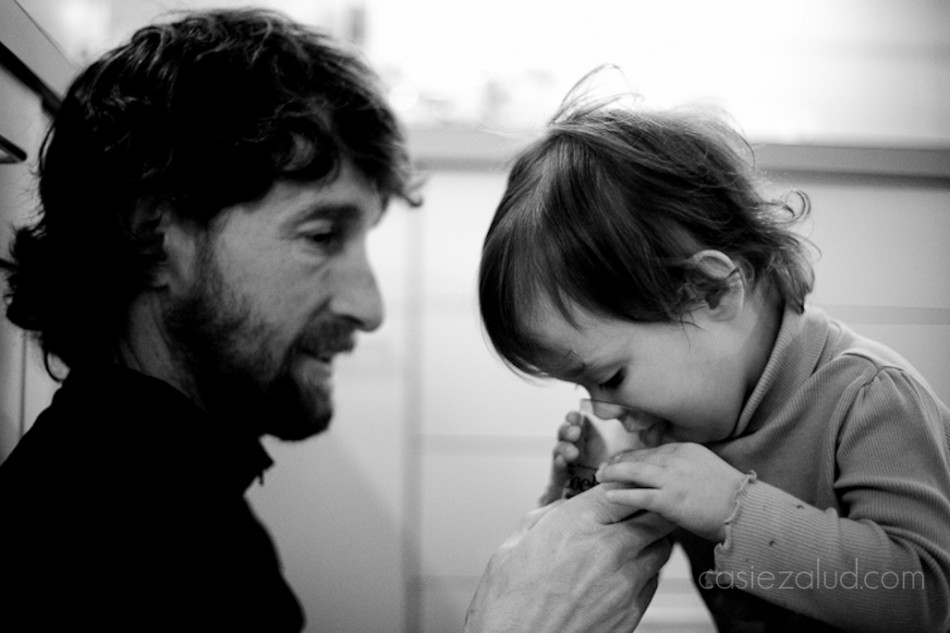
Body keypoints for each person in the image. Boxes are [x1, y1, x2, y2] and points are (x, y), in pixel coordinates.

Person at [0, 9, 672, 632]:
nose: (369, 308)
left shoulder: (177, 504)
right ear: (155, 239)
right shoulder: (86, 546)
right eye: (322, 236)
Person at [477, 87, 950, 632]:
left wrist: (733, 509)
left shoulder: (868, 398)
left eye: (610, 377)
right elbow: (572, 582)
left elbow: (923, 596)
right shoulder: (677, 422)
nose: (602, 410)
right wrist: (580, 488)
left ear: (710, 291)